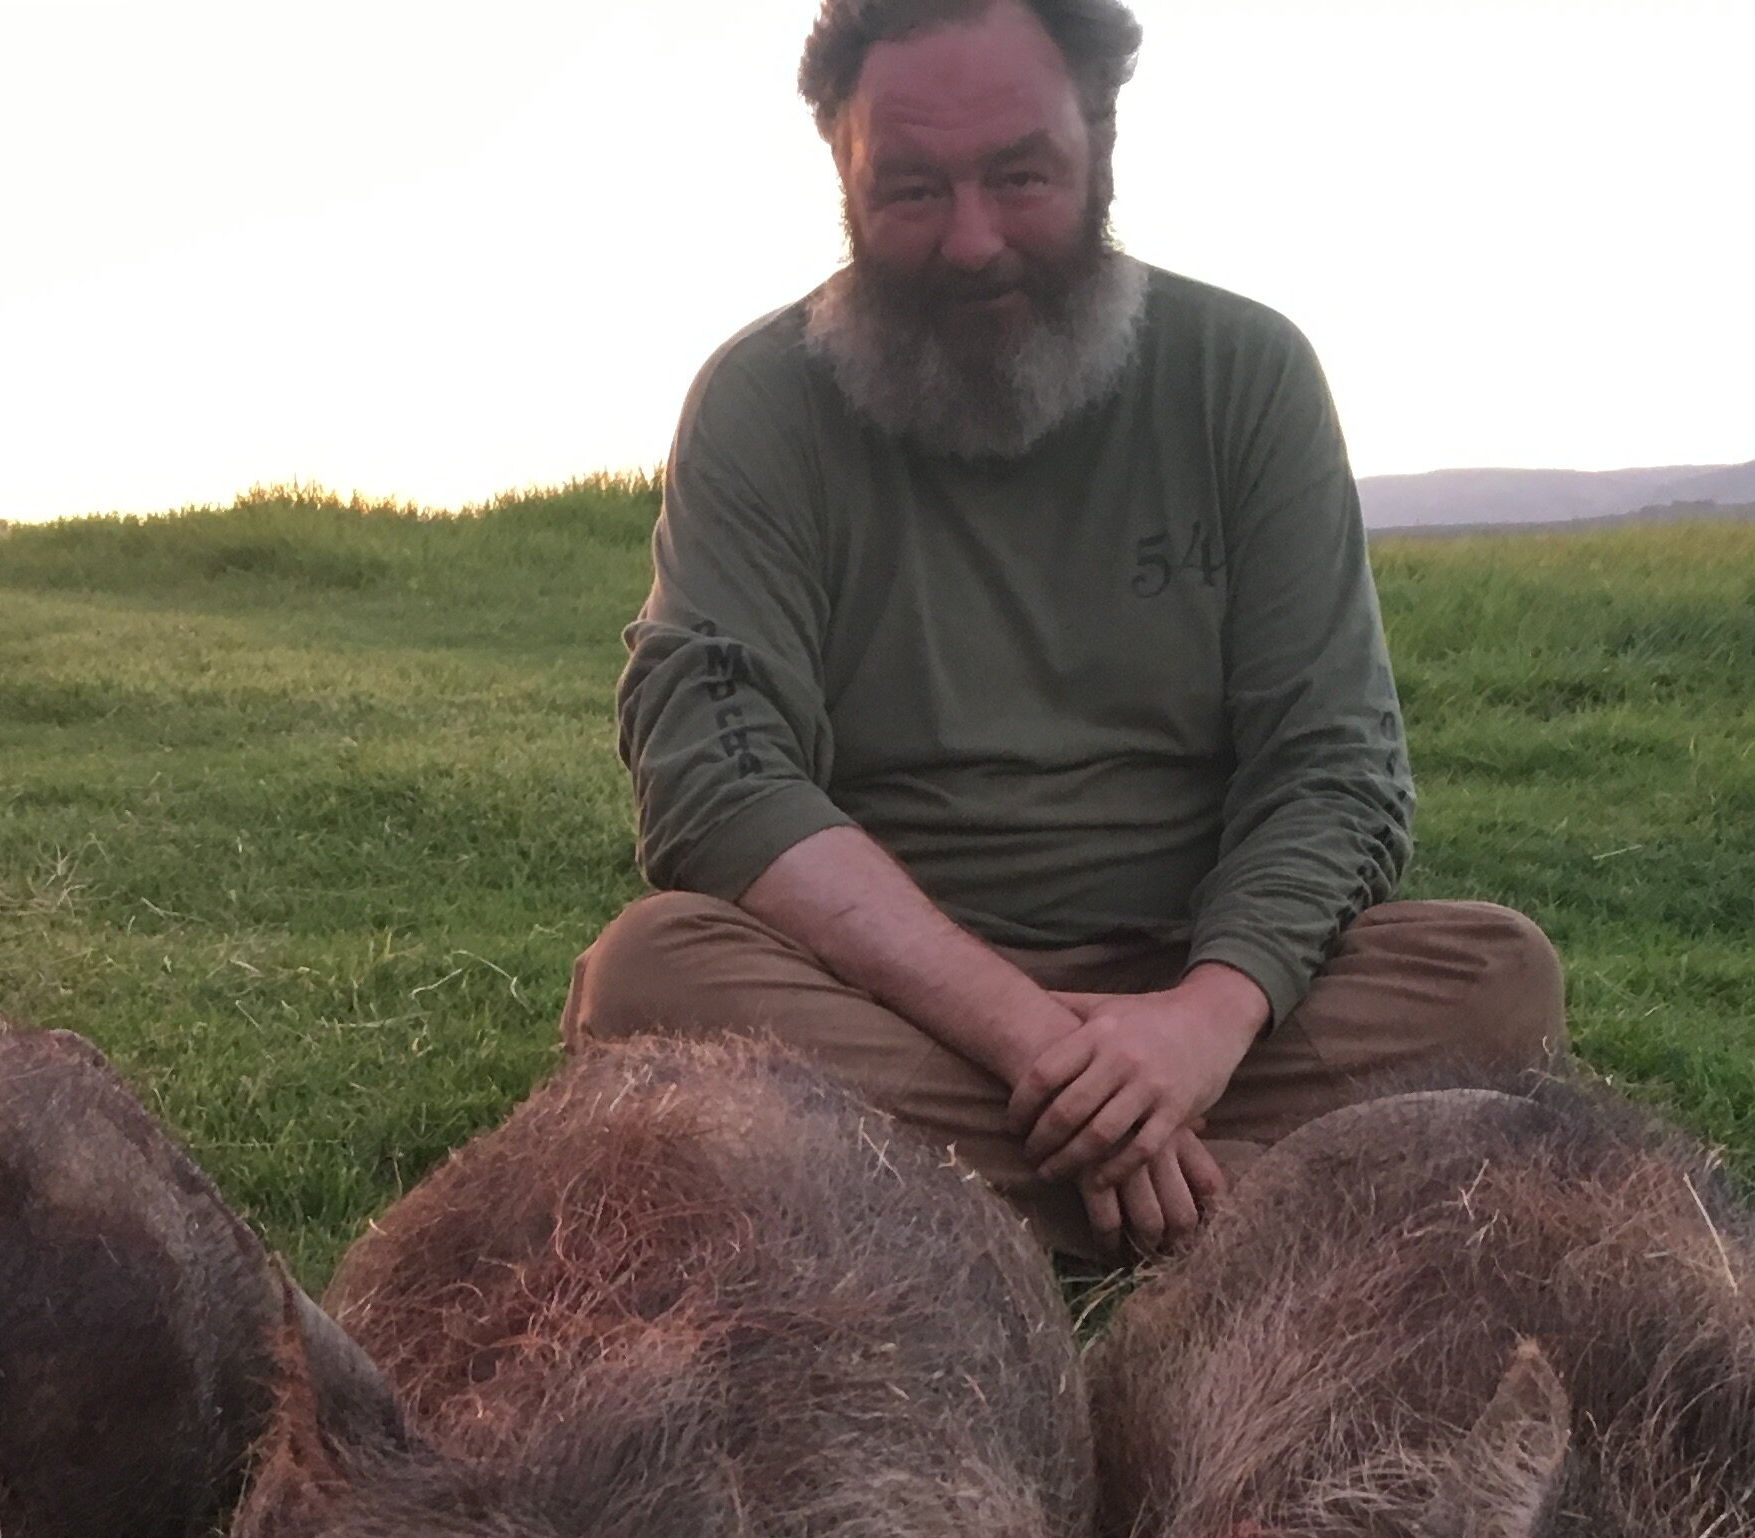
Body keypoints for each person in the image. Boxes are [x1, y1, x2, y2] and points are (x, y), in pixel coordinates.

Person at [565, 0, 1568, 1261]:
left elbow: (1334, 768)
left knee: (1498, 982)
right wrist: (1038, 1042)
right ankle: (1242, 1194)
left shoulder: (1247, 375)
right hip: (892, 1000)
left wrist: (1202, 1022)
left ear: (1099, 142)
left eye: (1020, 176)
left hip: (1189, 983)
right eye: (914, 188)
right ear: (842, 169)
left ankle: (929, 1197)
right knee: (651, 983)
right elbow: (712, 774)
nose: (973, 241)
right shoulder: (759, 403)